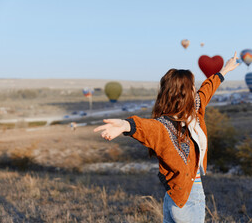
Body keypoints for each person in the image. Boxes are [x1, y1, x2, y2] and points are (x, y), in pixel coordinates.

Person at [94, 52, 239, 223]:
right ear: (185, 93)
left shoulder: (194, 112)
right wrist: (125, 125)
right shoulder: (164, 126)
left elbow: (206, 90)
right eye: (192, 86)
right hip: (188, 196)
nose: (195, 88)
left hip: (174, 195)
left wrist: (225, 70)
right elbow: (145, 128)